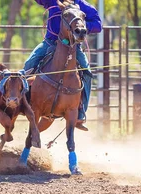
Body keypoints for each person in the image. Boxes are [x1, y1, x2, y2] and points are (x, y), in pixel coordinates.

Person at [22, 0, 102, 131]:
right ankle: (18, 100)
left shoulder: (82, 5)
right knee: (29, 65)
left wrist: (79, 24)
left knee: (87, 73)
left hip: (73, 46)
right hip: (50, 42)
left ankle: (80, 113)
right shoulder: (52, 1)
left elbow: (98, 25)